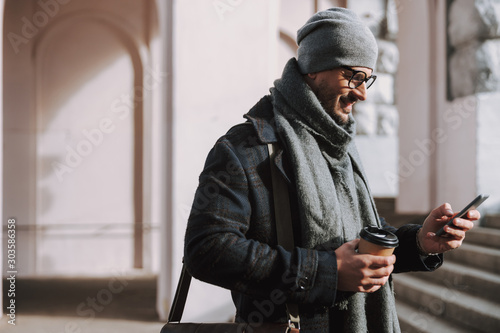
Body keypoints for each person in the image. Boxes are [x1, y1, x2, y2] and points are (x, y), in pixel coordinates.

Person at [183, 7, 479, 333]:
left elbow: (364, 240)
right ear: (313, 69)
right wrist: (328, 271)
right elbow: (207, 249)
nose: (362, 93)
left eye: (367, 79)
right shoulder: (245, 148)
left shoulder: (343, 146)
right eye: (353, 76)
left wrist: (421, 241)